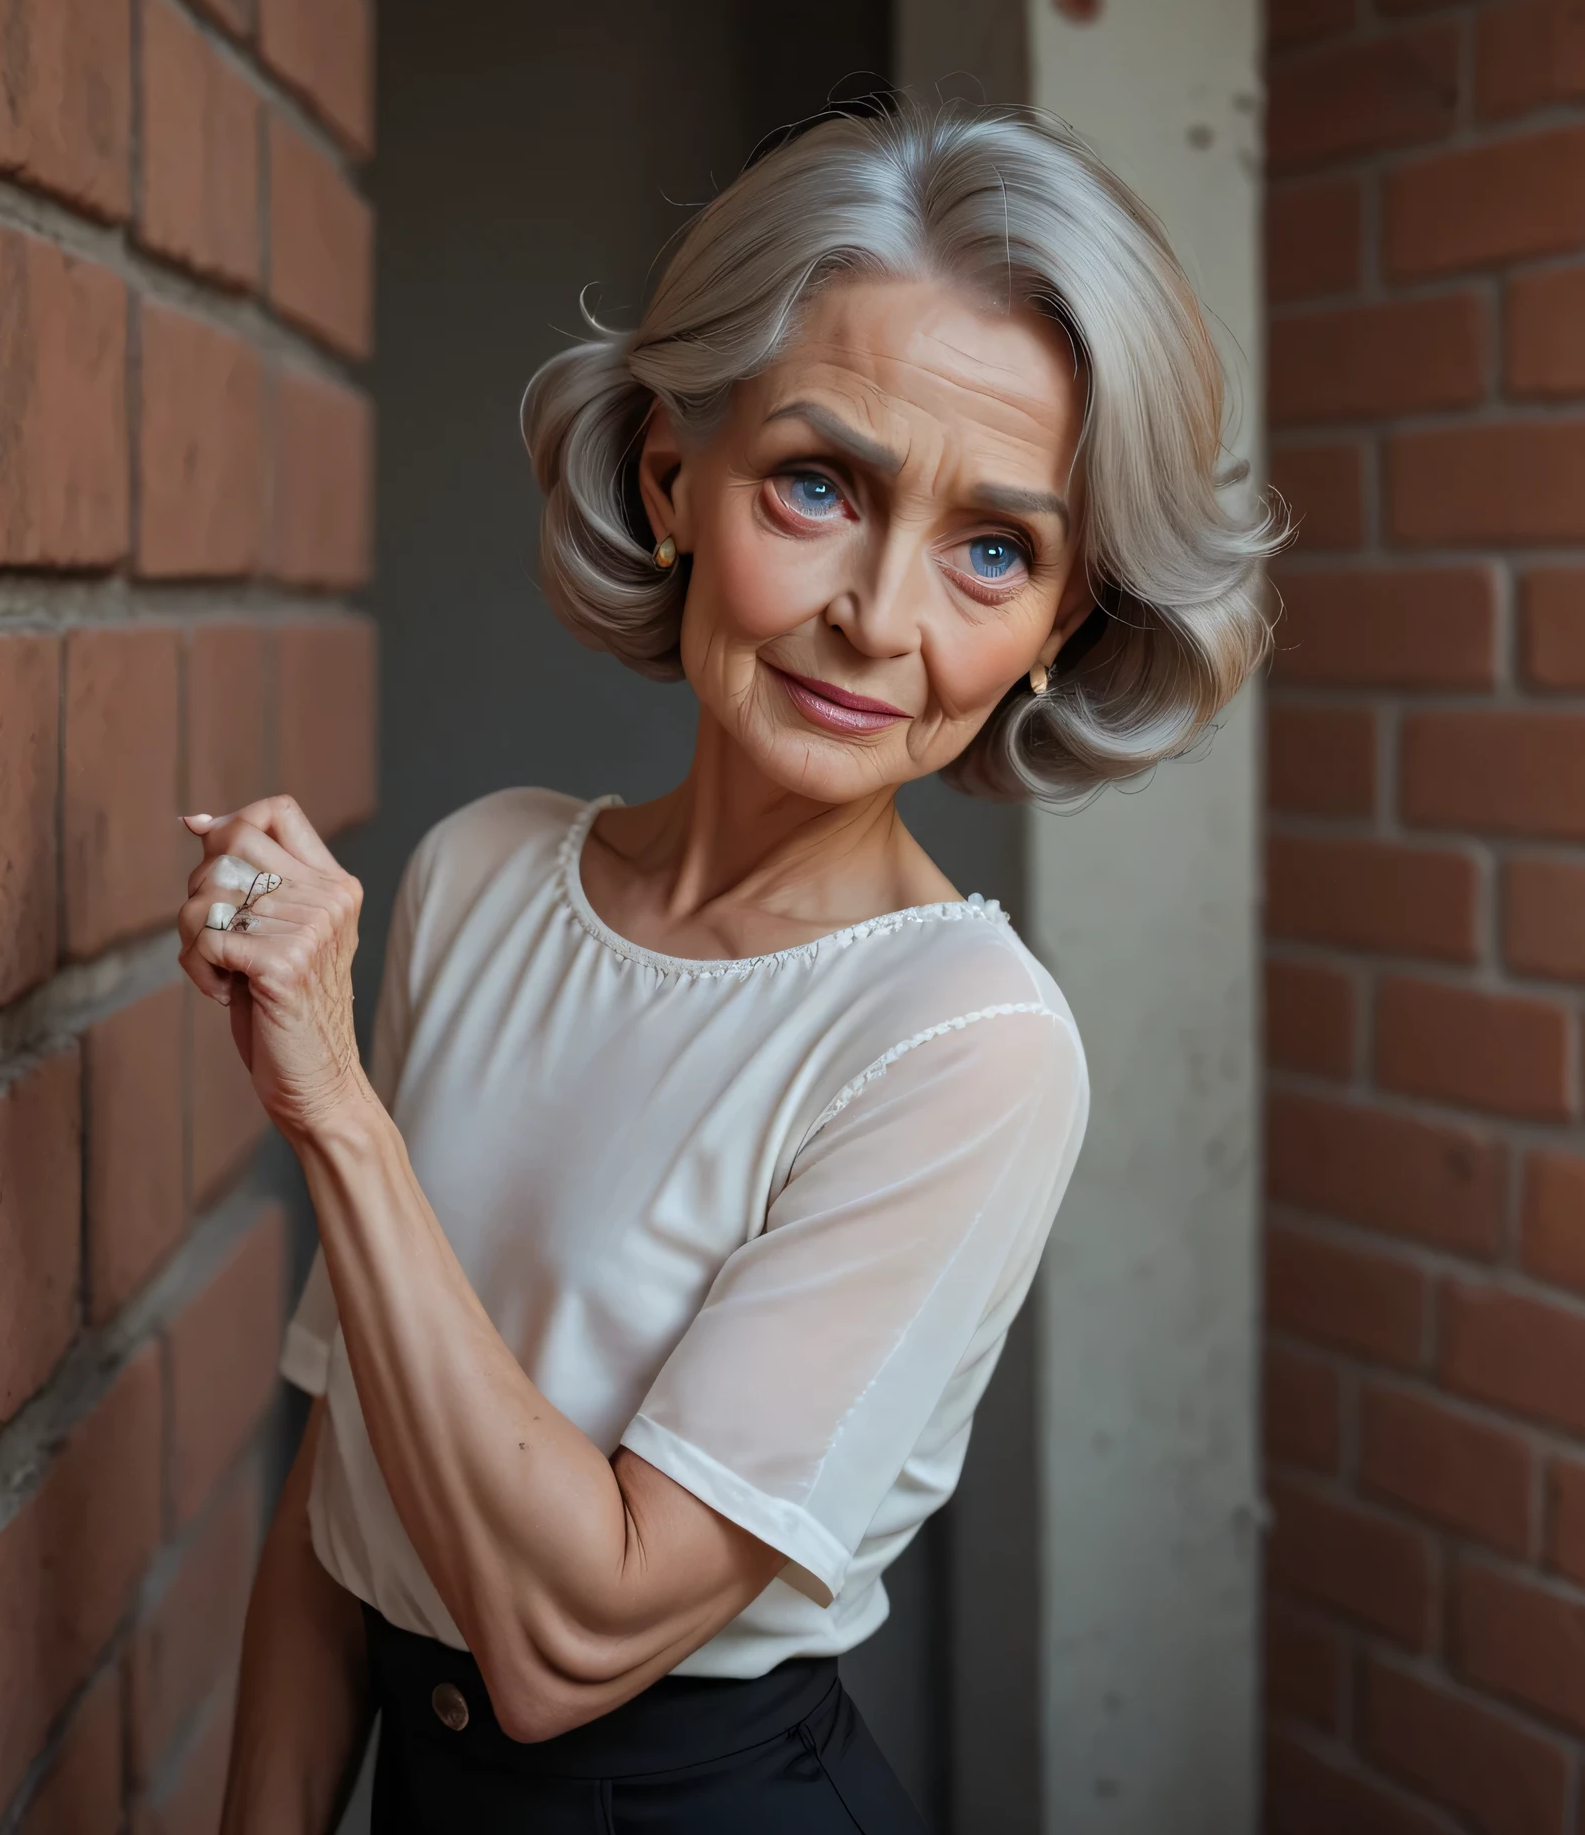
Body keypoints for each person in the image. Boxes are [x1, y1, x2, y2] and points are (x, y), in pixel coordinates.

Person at [183, 104, 1278, 1833]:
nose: (881, 618)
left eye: (995, 549)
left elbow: (568, 1637)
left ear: (1060, 626)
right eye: (820, 485)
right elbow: (345, 1487)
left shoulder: (967, 1045)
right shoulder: (479, 870)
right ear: (669, 476)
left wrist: (336, 1115)